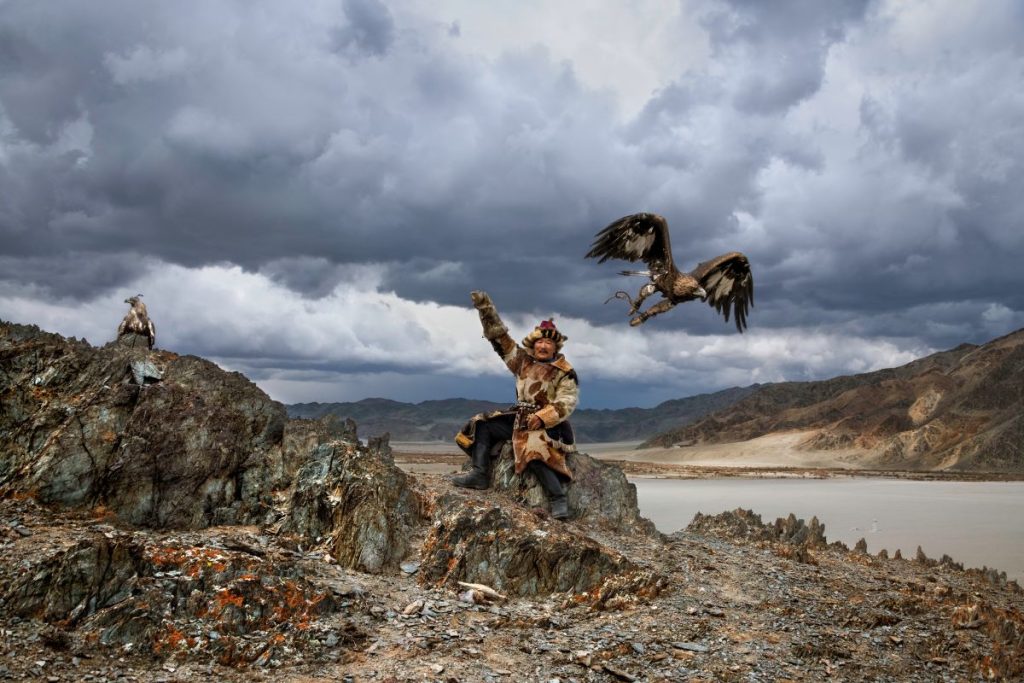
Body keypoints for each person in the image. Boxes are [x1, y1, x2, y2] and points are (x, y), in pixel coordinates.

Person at [452, 290, 579, 520]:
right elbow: (501, 339)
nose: (543, 346)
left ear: (555, 347)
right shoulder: (522, 362)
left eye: (548, 342)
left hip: (550, 425)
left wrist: (543, 416)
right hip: (519, 416)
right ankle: (480, 474)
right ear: (534, 344)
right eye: (540, 341)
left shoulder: (565, 371)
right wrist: (485, 309)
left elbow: (567, 401)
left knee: (532, 448)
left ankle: (558, 499)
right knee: (482, 424)